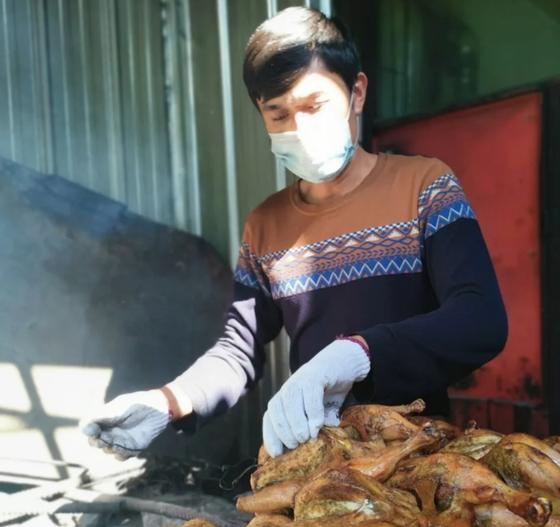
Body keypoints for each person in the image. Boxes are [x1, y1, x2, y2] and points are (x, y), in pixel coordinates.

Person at [81, 7, 507, 460]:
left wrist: (359, 354)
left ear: (356, 93)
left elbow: (479, 318)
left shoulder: (425, 187)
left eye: (313, 105)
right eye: (278, 113)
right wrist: (167, 402)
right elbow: (237, 352)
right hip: (315, 464)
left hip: (420, 461)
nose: (297, 128)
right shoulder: (265, 225)